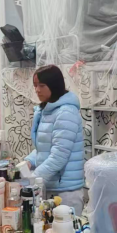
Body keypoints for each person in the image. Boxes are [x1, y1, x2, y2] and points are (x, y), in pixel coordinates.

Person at [24, 65, 85, 215]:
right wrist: (29, 161)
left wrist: (33, 178)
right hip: (50, 186)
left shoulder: (66, 113)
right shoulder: (46, 110)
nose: (37, 90)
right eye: (35, 85)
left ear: (54, 85)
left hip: (65, 191)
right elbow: (44, 147)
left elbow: (59, 156)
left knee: (65, 229)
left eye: (42, 85)